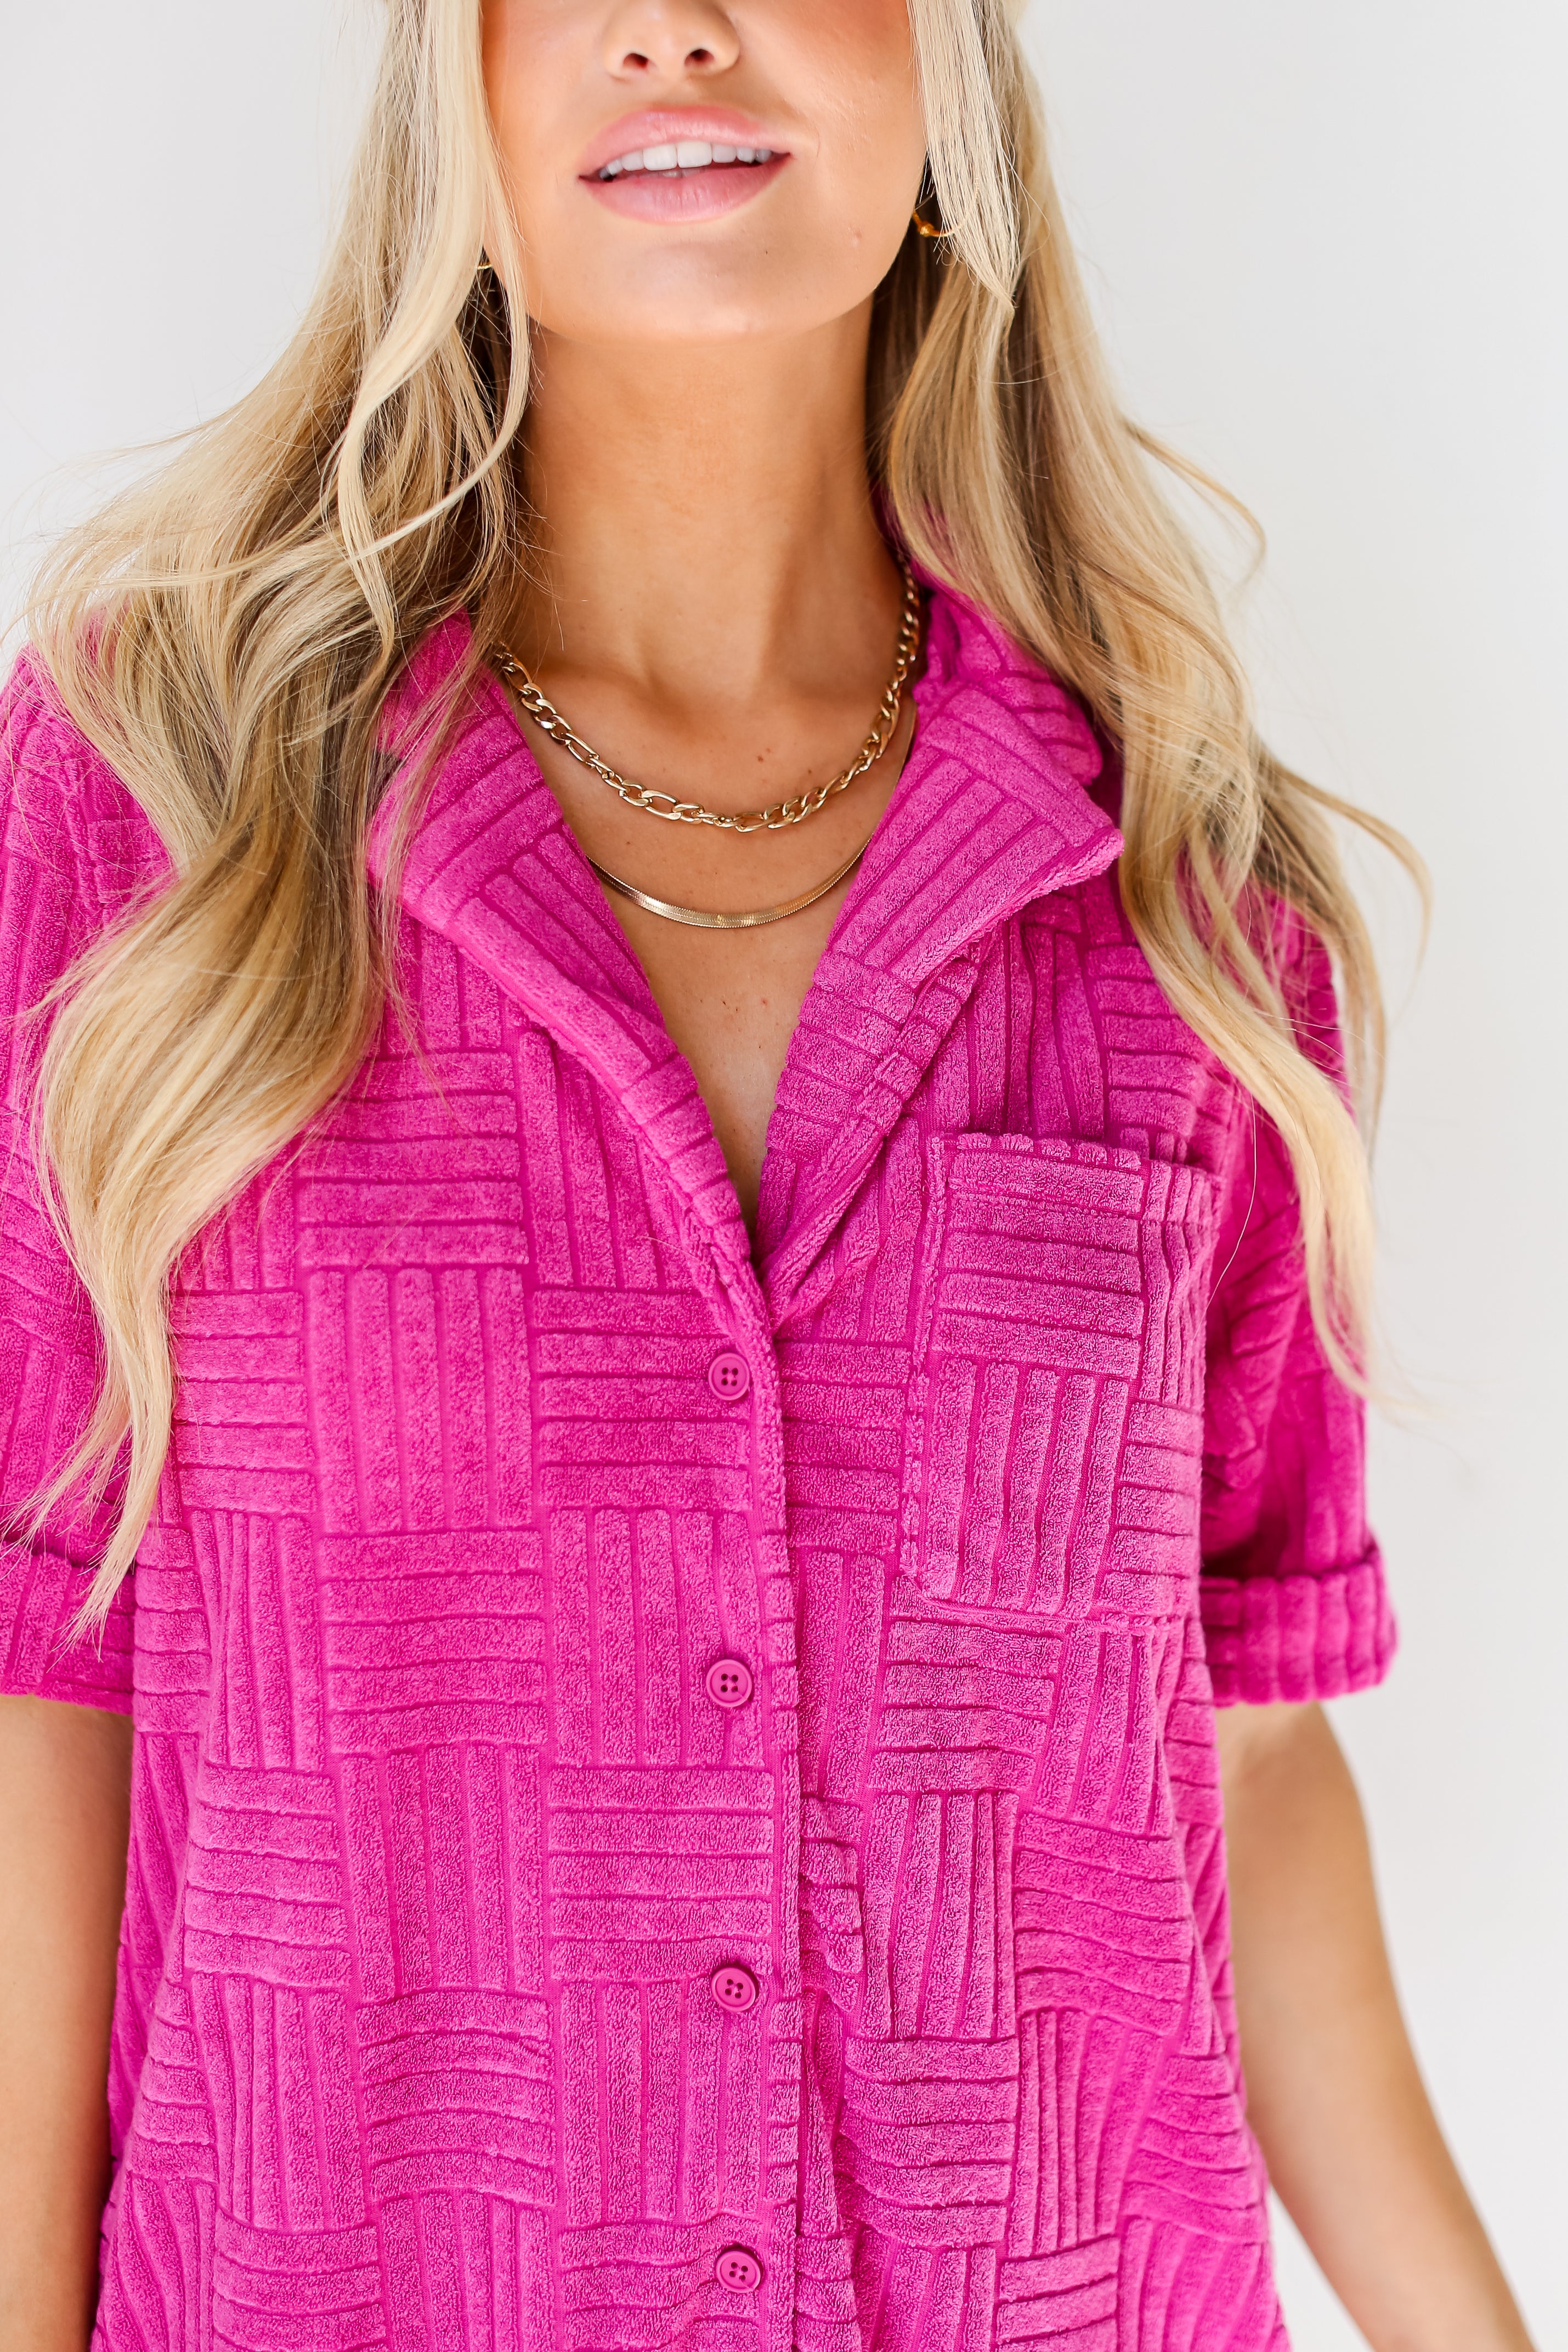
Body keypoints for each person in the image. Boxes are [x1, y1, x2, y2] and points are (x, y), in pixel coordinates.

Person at [0, 3, 1537, 2348]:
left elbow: (1235, 1736)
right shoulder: (157, 800)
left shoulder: (1186, 907)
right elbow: (42, 1673)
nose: (671, 27)